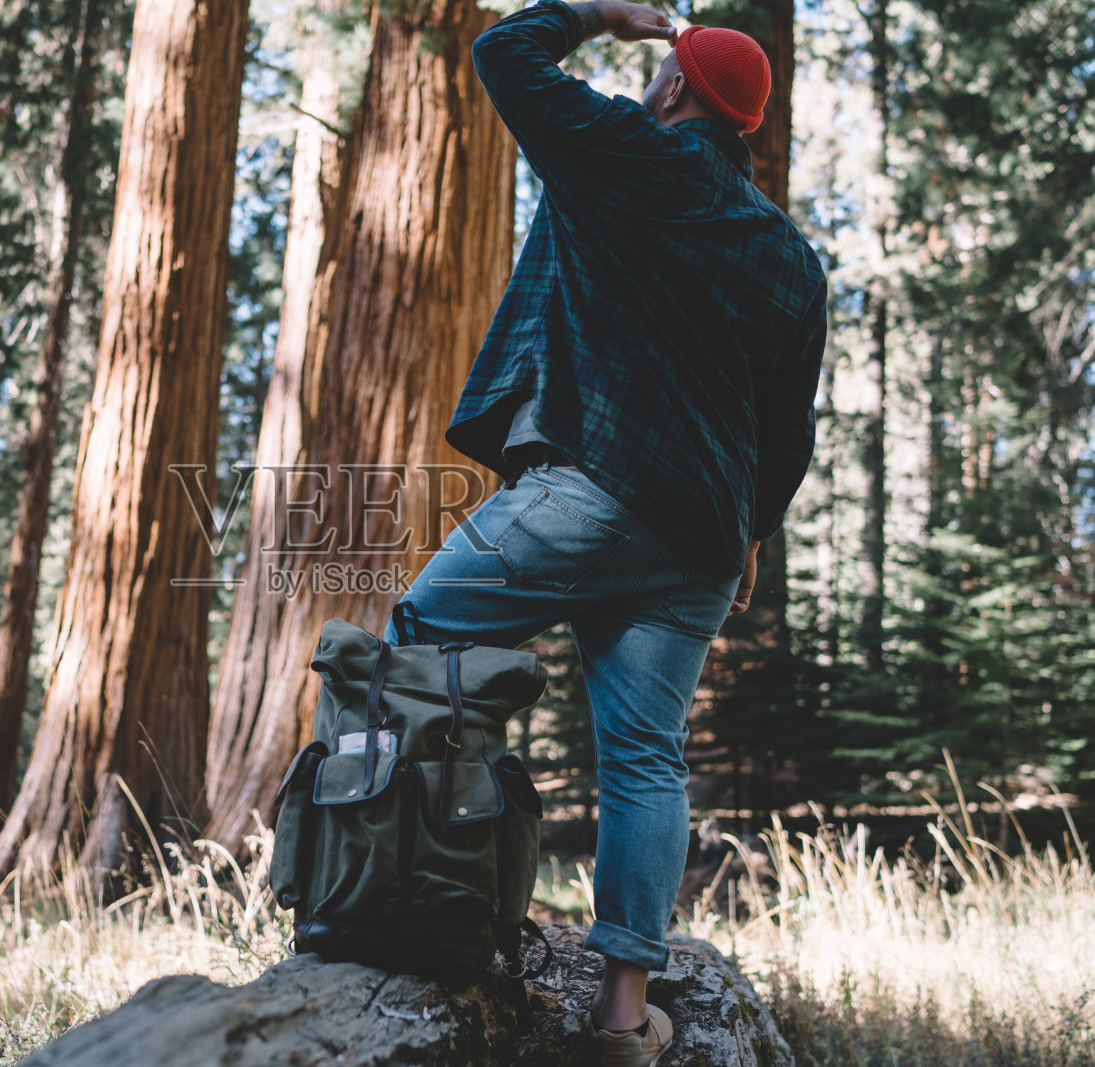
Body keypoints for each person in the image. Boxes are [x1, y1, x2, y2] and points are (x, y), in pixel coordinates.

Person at [381, 2, 828, 1065]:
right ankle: (621, 1020)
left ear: (672, 92)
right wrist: (748, 540)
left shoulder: (626, 155)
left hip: (593, 487)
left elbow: (502, 50)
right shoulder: (788, 258)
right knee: (644, 756)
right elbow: (786, 430)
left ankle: (425, 907)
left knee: (418, 632)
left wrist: (604, 14)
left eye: (661, 72)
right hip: (702, 541)